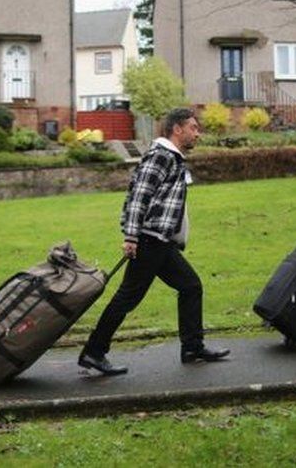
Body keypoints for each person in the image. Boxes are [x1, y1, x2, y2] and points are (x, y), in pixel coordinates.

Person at [78, 108, 229, 376]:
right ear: (177, 129)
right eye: (193, 127)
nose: (198, 133)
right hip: (149, 240)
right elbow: (139, 196)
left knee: (191, 286)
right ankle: (94, 352)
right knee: (127, 298)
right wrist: (131, 236)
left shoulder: (172, 158)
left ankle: (193, 347)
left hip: (161, 242)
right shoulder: (160, 156)